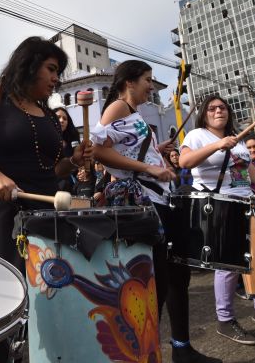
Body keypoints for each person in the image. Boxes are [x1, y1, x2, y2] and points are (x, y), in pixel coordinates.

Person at [92, 60, 219, 363]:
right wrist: (147, 166)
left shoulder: (133, 113)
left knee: (177, 275)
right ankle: (148, 351)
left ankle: (181, 347)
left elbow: (125, 148)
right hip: (145, 203)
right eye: (147, 80)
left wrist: (153, 151)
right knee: (156, 280)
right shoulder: (117, 107)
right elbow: (98, 150)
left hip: (161, 200)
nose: (151, 85)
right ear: (129, 81)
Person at [0, 37, 92, 272]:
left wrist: (74, 160)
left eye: (58, 72)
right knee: (11, 296)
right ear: (29, 65)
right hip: (6, 216)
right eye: (51, 69)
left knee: (49, 296)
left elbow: (53, 169)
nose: (56, 78)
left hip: (49, 214)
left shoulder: (51, 116)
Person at [179, 95, 255, 346]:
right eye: (212, 108)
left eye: (222, 107)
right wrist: (217, 146)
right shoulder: (197, 135)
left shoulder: (239, 139)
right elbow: (184, 162)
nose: (218, 111)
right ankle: (225, 320)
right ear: (204, 114)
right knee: (228, 264)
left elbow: (249, 174)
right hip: (219, 203)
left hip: (247, 201)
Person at [54, 106, 80, 194]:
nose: (61, 121)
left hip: (70, 186)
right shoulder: (44, 140)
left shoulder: (72, 141)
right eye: (58, 117)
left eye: (65, 119)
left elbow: (77, 161)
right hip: (50, 185)